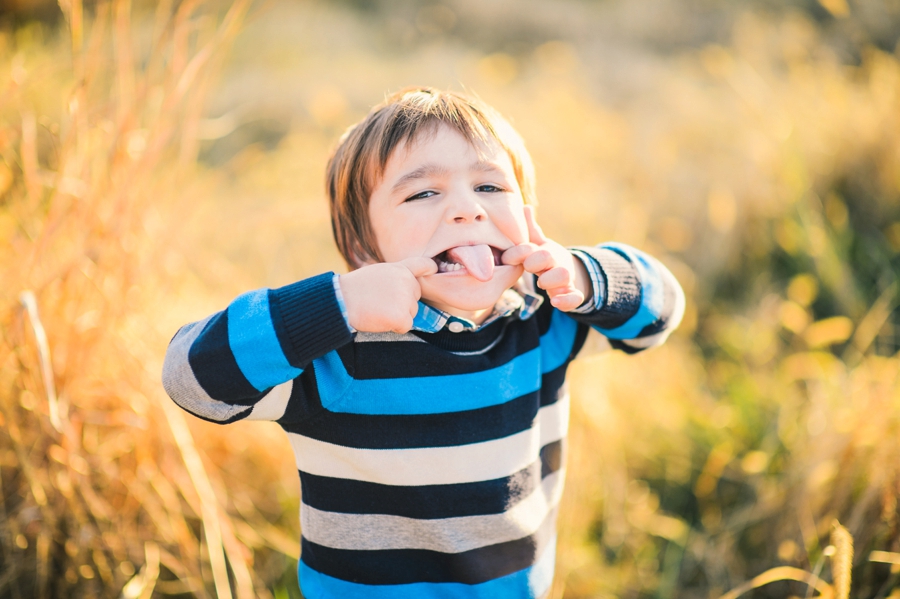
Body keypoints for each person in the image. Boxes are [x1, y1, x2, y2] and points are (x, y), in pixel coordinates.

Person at [162, 86, 685, 598]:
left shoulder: (543, 318)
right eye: (423, 193)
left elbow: (659, 315)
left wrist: (586, 275)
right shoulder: (336, 355)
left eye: (490, 187)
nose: (467, 210)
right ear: (365, 249)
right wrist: (336, 304)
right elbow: (191, 379)